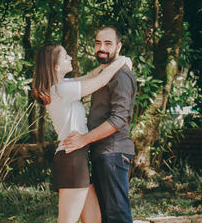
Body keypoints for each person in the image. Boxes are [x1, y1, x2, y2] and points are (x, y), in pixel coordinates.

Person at [32, 43, 133, 223]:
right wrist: (122, 62)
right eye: (65, 56)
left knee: (94, 220)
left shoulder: (64, 85)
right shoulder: (61, 90)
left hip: (78, 157)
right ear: (55, 65)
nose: (70, 58)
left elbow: (91, 75)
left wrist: (109, 63)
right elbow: (100, 81)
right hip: (72, 158)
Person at [62, 26, 136, 223]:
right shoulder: (105, 73)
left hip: (113, 152)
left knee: (117, 216)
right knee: (106, 216)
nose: (101, 48)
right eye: (97, 43)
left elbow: (119, 119)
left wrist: (83, 139)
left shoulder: (121, 75)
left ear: (118, 47)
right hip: (102, 153)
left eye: (108, 43)